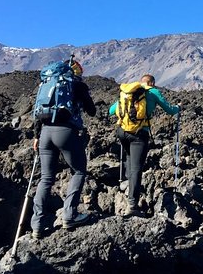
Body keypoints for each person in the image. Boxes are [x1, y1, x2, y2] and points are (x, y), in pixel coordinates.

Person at [31, 59, 96, 238]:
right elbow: (92, 111)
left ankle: (37, 224)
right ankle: (70, 215)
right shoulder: (76, 85)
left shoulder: (46, 85)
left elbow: (37, 115)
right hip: (66, 131)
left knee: (46, 178)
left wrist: (36, 136)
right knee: (79, 171)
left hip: (45, 133)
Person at [109, 74, 180, 216]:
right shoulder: (153, 92)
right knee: (137, 168)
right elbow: (169, 110)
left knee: (129, 157)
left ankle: (128, 185)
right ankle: (132, 205)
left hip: (122, 131)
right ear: (152, 83)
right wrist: (178, 108)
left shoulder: (129, 92)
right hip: (139, 134)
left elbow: (111, 111)